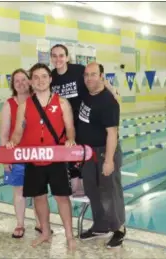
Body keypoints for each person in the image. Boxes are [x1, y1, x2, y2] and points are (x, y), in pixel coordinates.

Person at [6, 63, 76, 250]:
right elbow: (18, 132)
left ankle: (70, 236)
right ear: (31, 82)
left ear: (50, 79)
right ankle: (45, 232)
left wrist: (70, 139)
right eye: (35, 77)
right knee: (39, 197)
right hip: (34, 158)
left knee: (62, 197)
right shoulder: (24, 105)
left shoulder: (62, 103)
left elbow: (70, 128)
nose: (40, 80)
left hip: (56, 158)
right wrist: (12, 142)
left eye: (44, 76)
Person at [50, 44, 120, 196]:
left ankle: (86, 185)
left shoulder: (78, 70)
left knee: (84, 156)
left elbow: (97, 78)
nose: (58, 59)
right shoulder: (51, 77)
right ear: (51, 58)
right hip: (64, 124)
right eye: (54, 56)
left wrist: (112, 91)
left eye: (61, 55)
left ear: (67, 57)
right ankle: (77, 183)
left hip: (82, 119)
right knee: (71, 158)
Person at [77, 62, 125, 248]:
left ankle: (118, 229)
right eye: (87, 74)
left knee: (110, 192)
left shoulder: (108, 101)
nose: (89, 78)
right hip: (88, 153)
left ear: (101, 76)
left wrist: (109, 160)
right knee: (93, 191)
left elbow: (112, 133)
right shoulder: (86, 93)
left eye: (94, 74)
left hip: (105, 151)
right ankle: (100, 226)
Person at [0, 68, 41, 238]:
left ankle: (40, 223)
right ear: (13, 85)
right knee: (19, 191)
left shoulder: (37, 101)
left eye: (24, 79)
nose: (21, 83)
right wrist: (5, 158)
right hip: (16, 155)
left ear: (29, 81)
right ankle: (20, 224)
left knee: (39, 191)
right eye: (17, 81)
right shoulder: (9, 104)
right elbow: (3, 134)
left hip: (36, 154)